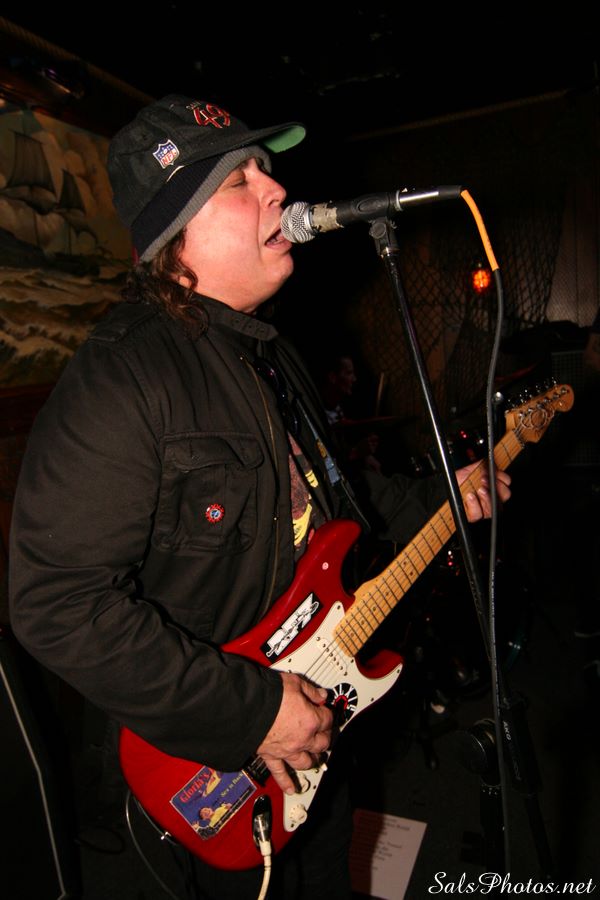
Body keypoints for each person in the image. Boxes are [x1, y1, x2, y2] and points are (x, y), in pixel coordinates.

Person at [8, 95, 511, 899]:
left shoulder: (270, 353)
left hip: (316, 723)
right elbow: (55, 605)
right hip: (218, 754)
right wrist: (250, 711)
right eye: (239, 179)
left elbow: (342, 499)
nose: (276, 187)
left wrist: (447, 497)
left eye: (265, 169)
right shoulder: (123, 378)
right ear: (176, 229)